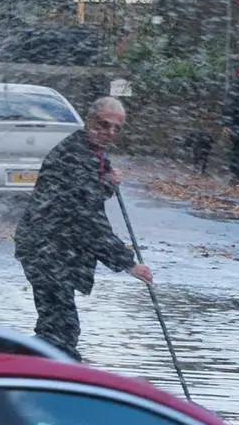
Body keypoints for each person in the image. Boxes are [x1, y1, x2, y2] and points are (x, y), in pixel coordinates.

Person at [14, 96, 149, 356]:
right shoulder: (75, 155)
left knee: (58, 327)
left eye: (116, 128)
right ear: (89, 122)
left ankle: (45, 375)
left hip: (54, 248)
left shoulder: (91, 153)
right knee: (60, 330)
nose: (109, 132)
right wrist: (127, 263)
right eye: (103, 124)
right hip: (46, 249)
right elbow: (87, 218)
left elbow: (84, 196)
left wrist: (106, 182)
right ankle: (47, 377)